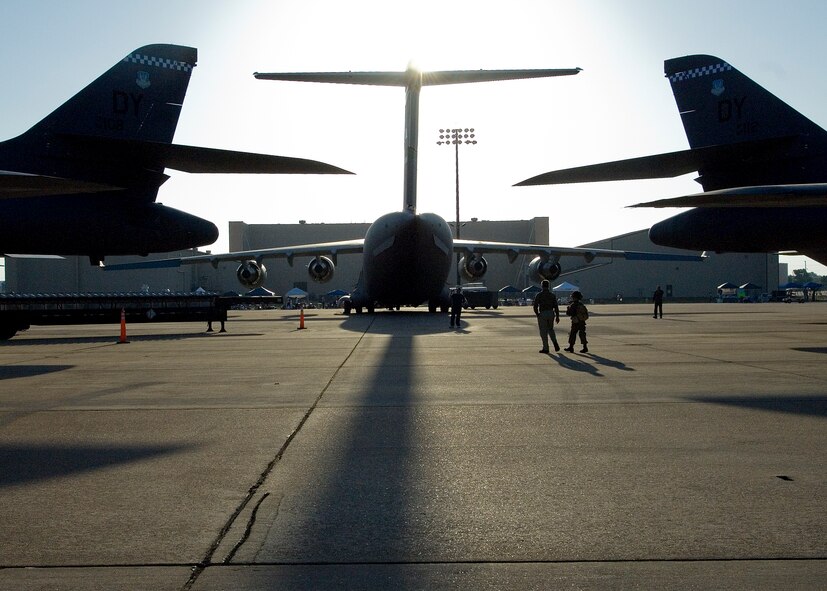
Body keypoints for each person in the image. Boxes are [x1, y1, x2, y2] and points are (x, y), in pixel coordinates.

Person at [532, 280, 560, 352]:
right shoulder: (552, 295)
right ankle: (554, 342)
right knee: (551, 329)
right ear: (548, 286)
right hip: (551, 313)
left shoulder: (539, 295)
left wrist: (537, 314)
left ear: (542, 286)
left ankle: (546, 348)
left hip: (543, 313)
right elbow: (556, 306)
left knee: (543, 331)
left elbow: (535, 306)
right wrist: (557, 316)